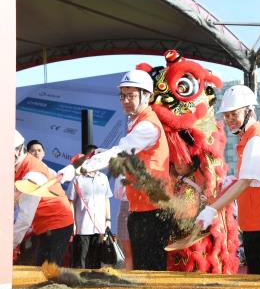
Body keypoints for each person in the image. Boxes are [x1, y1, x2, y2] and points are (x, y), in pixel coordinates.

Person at [58, 69, 171, 271]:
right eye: (123, 96)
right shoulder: (137, 123)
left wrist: (76, 170)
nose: (126, 100)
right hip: (141, 208)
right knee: (142, 268)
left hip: (153, 211)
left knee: (151, 271)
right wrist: (98, 154)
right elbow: (122, 152)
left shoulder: (148, 126)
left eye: (131, 95)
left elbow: (119, 153)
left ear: (147, 96)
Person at [195, 85, 260, 275]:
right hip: (257, 226)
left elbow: (245, 182)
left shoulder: (256, 141)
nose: (229, 120)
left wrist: (213, 208)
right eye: (226, 115)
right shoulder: (248, 139)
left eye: (234, 114)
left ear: (249, 111)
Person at [14, 129, 74, 266]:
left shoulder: (33, 175)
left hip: (57, 224)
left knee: (48, 271)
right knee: (41, 269)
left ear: (17, 151)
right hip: (44, 225)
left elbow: (25, 218)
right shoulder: (18, 165)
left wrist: (8, 246)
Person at [67, 145, 113, 269]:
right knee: (80, 262)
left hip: (99, 227)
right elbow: (71, 202)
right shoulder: (77, 178)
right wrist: (73, 224)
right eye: (92, 156)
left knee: (96, 262)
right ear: (86, 158)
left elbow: (106, 199)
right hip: (82, 227)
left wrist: (108, 220)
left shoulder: (103, 178)